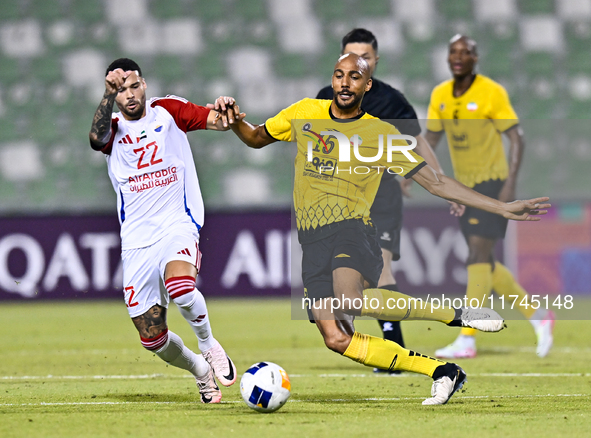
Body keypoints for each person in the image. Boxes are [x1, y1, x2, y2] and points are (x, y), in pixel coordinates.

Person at [211, 53, 550, 405]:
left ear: (367, 84)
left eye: (354, 77)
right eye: (339, 75)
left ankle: (455, 314)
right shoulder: (303, 113)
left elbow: (435, 182)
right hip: (312, 240)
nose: (345, 82)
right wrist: (235, 121)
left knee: (349, 300)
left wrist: (501, 207)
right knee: (337, 338)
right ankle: (442, 371)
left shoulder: (380, 133)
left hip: (352, 229)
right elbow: (254, 138)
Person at [88, 58, 237, 404]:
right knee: (152, 338)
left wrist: (226, 111)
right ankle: (200, 370)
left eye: (134, 85)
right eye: (120, 89)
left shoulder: (168, 111)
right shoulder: (111, 128)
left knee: (181, 287)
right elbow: (96, 140)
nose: (129, 95)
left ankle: (208, 344)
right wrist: (106, 97)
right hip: (137, 242)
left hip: (177, 223)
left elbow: (218, 121)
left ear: (145, 84)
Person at [316, 28, 445, 373]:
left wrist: (437, 181)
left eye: (366, 57)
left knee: (381, 269)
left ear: (376, 60)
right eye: (349, 55)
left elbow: (418, 142)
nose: (358, 62)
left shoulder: (392, 100)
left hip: (381, 195)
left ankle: (395, 350)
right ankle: (360, 338)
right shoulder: (325, 98)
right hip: (339, 200)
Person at [425, 35, 555, 359]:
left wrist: (510, 184)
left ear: (476, 58)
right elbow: (428, 140)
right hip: (464, 186)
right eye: (453, 51)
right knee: (487, 264)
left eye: (465, 52)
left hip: (492, 184)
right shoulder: (440, 95)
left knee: (476, 256)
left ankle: (467, 337)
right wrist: (439, 182)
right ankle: (539, 317)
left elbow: (517, 138)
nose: (458, 57)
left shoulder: (491, 92)